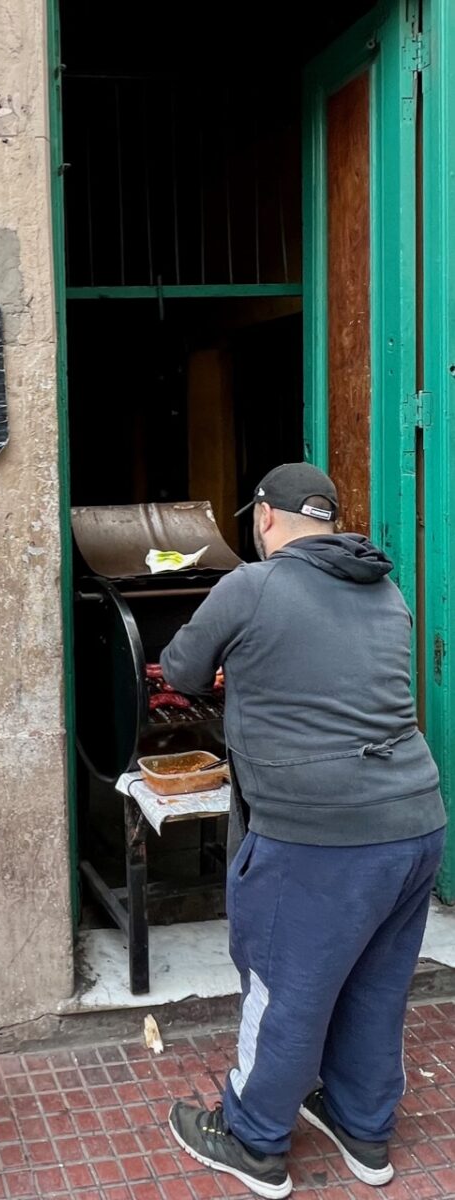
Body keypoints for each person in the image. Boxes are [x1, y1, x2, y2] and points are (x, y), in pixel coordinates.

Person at [159, 462, 447, 1200]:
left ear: (263, 517)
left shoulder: (250, 586)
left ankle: (253, 1140)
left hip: (318, 834)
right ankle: (361, 1127)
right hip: (415, 822)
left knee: (284, 987)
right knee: (377, 984)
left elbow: (182, 669)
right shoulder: (385, 589)